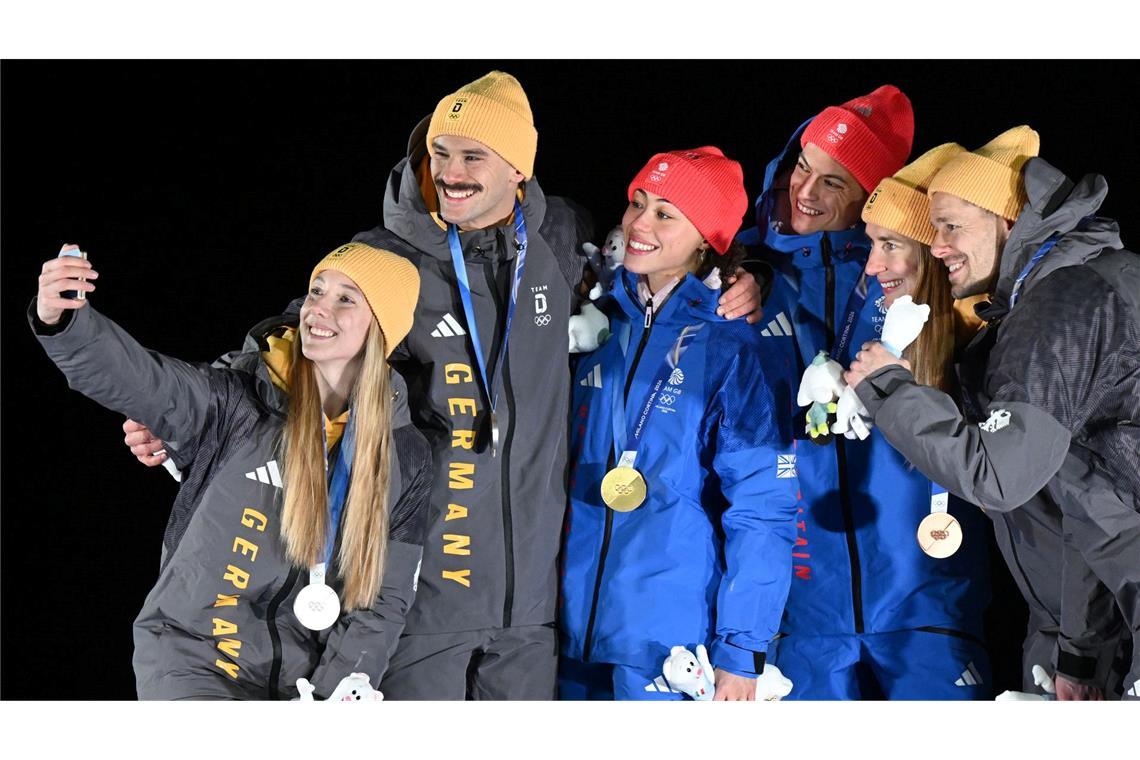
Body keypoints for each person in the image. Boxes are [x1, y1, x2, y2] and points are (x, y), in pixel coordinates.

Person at [119, 70, 764, 699]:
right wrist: (187, 423)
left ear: (518, 169)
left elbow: (669, 260)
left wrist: (745, 275)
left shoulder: (559, 241)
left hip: (532, 612)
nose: (452, 173)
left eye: (474, 156)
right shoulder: (386, 257)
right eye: (440, 153)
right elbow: (294, 341)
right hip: (422, 601)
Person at [31, 241, 432, 699]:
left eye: (346, 299)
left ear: (383, 329)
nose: (318, 309)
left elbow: (382, 600)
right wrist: (66, 321)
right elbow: (143, 381)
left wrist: (335, 694)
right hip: (192, 659)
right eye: (317, 291)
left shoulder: (405, 453)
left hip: (297, 685)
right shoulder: (240, 400)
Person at [848, 125, 1140, 700]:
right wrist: (1079, 652)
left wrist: (889, 391)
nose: (938, 245)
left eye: (951, 226)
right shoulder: (1060, 293)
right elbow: (1087, 501)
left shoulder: (1063, 302)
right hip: (1100, 615)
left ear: (1008, 221)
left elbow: (1000, 477)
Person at [739, 86, 994, 699]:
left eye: (834, 182)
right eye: (804, 166)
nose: (805, 191)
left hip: (926, 594)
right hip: (801, 602)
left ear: (871, 196)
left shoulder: (919, 278)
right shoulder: (752, 280)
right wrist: (752, 265)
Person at [559, 147, 799, 700]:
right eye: (637, 203)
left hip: (670, 648)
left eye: (666, 214)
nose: (640, 223)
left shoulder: (731, 348)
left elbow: (763, 504)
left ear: (707, 240)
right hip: (571, 636)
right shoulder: (595, 330)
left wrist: (742, 649)